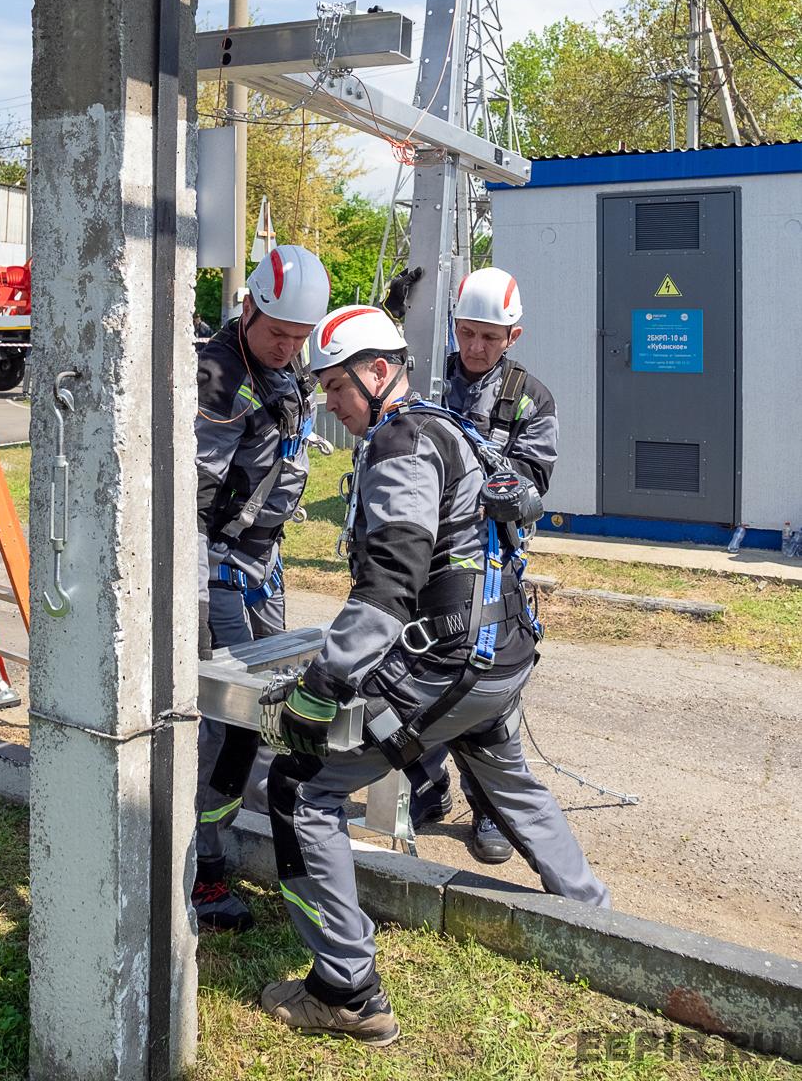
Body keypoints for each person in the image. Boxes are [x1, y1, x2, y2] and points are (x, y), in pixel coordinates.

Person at [260, 305, 607, 1045]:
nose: (327, 401)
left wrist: (321, 688)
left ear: (377, 372)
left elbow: (389, 582)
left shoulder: (402, 440)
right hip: (500, 651)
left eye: (333, 386)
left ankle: (345, 990)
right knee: (505, 775)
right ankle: (596, 922)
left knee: (300, 788)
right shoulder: (449, 426)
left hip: (447, 665)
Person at [193, 244, 330, 931]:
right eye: (277, 332)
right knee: (227, 718)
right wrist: (196, 576)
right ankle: (201, 870)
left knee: (277, 705)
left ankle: (258, 833)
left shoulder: (282, 366)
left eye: (299, 337)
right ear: (247, 307)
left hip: (261, 561)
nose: (287, 347)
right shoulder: (217, 375)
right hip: (217, 564)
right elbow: (190, 495)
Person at [407, 264, 558, 864]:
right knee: (414, 674)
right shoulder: (429, 380)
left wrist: (506, 488)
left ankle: (490, 809)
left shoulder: (531, 397)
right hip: (428, 555)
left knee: (488, 688)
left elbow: (536, 478)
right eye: (466, 333)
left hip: (493, 562)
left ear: (512, 338)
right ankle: (424, 785)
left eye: (488, 338)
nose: (474, 347)